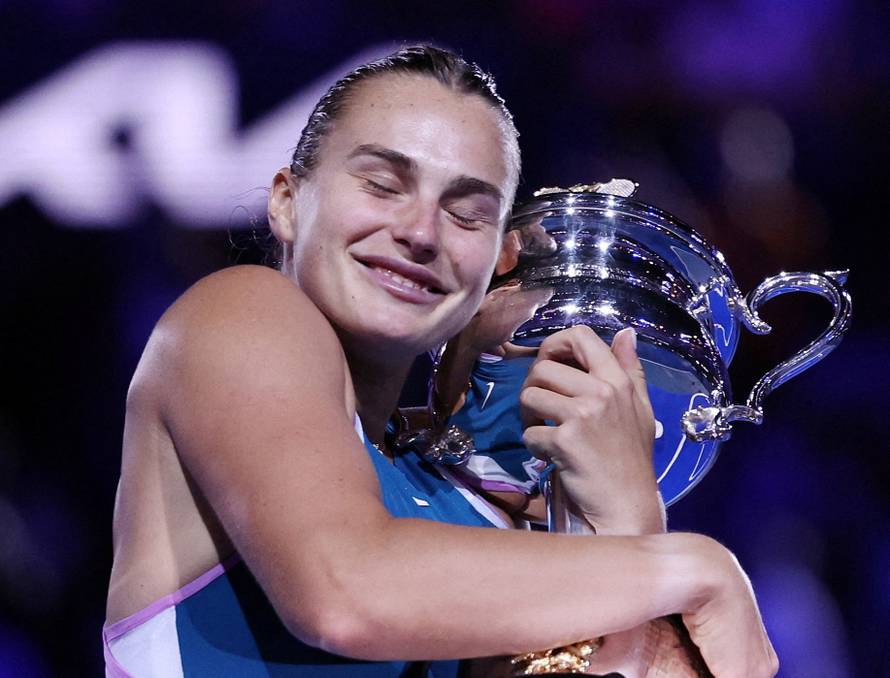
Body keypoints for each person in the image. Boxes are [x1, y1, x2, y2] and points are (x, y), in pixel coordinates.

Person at [103, 45, 778, 677]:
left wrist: (626, 517)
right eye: (382, 184)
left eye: (466, 213)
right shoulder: (241, 315)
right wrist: (691, 564)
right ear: (286, 199)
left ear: (500, 260)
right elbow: (342, 592)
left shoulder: (461, 516)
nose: (421, 232)